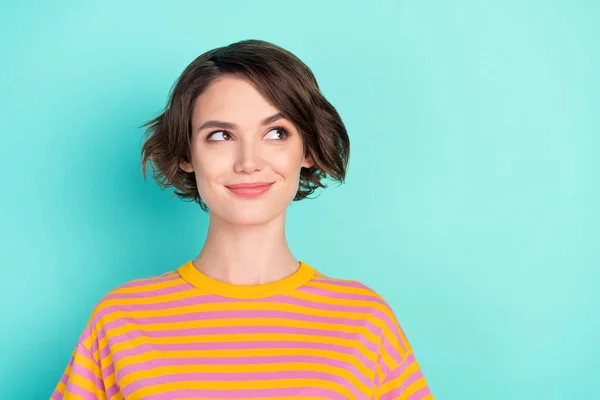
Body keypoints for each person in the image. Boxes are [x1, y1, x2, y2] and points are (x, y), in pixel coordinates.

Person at [51, 39, 432, 400]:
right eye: (220, 135)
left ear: (308, 149)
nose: (248, 162)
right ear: (187, 154)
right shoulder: (122, 321)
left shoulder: (363, 321)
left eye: (276, 133)